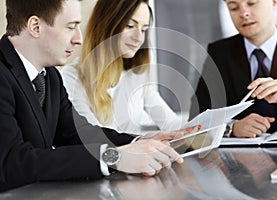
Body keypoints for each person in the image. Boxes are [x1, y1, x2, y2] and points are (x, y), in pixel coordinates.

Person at [0, 0, 184, 192]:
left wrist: (139, 142)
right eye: (71, 27)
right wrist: (115, 157)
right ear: (35, 27)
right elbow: (13, 163)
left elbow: (77, 133)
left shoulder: (49, 76)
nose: (78, 39)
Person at [61, 0, 185, 134]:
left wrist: (194, 132)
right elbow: (95, 139)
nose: (138, 38)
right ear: (106, 24)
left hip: (136, 152)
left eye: (144, 30)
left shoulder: (138, 72)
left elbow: (167, 119)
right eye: (130, 26)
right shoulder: (72, 78)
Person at [190, 0, 277, 138]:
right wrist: (231, 128)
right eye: (234, 7)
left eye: (252, 3)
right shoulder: (219, 53)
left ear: (273, 2)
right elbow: (195, 117)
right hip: (238, 155)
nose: (244, 13)